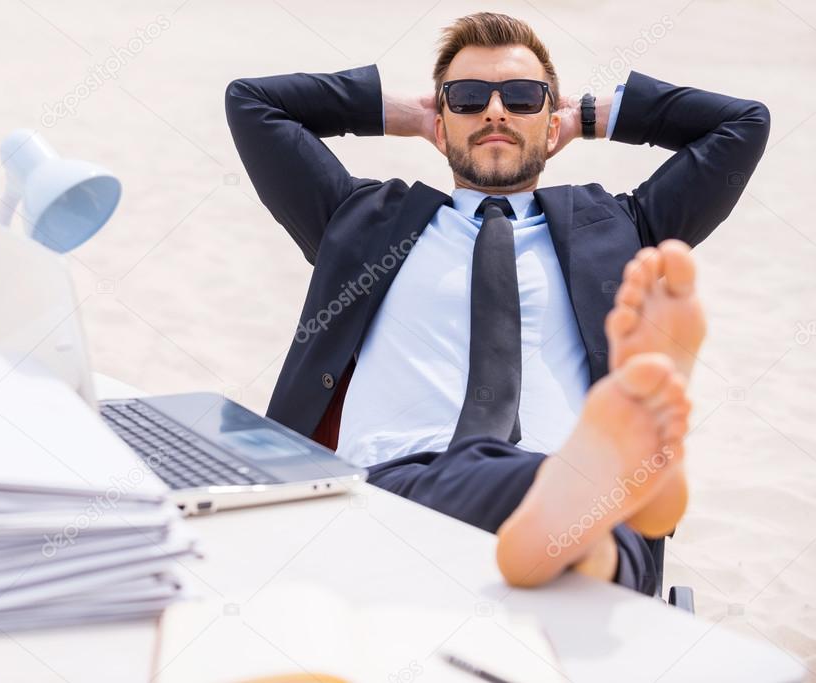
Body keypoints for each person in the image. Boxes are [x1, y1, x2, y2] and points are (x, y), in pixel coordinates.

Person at [224, 12, 770, 593]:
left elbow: (743, 124)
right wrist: (407, 114)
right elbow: (253, 105)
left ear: (551, 119)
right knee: (576, 498)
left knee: (603, 521)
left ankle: (585, 505)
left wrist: (586, 116)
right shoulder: (363, 223)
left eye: (521, 96)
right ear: (440, 122)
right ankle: (604, 489)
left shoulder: (620, 230)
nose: (494, 111)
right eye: (466, 99)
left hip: (581, 499)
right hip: (400, 487)